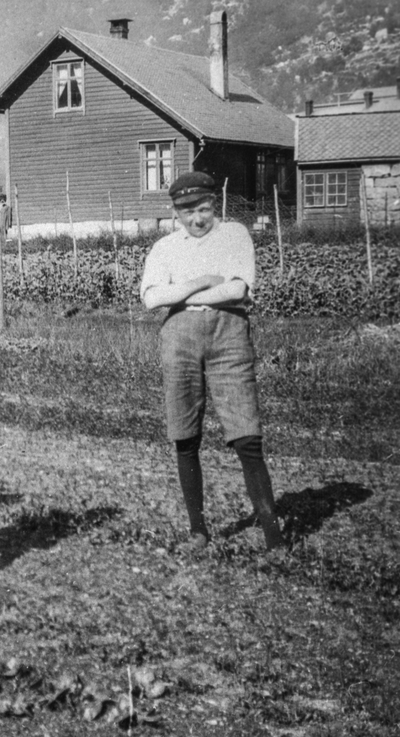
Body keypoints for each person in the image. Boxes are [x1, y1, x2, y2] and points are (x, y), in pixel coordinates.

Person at [140, 171, 283, 552]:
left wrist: (178, 292)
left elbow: (238, 288)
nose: (196, 220)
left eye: (202, 210)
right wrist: (201, 281)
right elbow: (152, 298)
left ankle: (274, 537)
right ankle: (198, 532)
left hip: (229, 334)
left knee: (246, 434)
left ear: (213, 205)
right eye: (187, 213)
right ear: (175, 213)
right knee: (185, 435)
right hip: (180, 338)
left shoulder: (234, 234)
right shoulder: (165, 247)